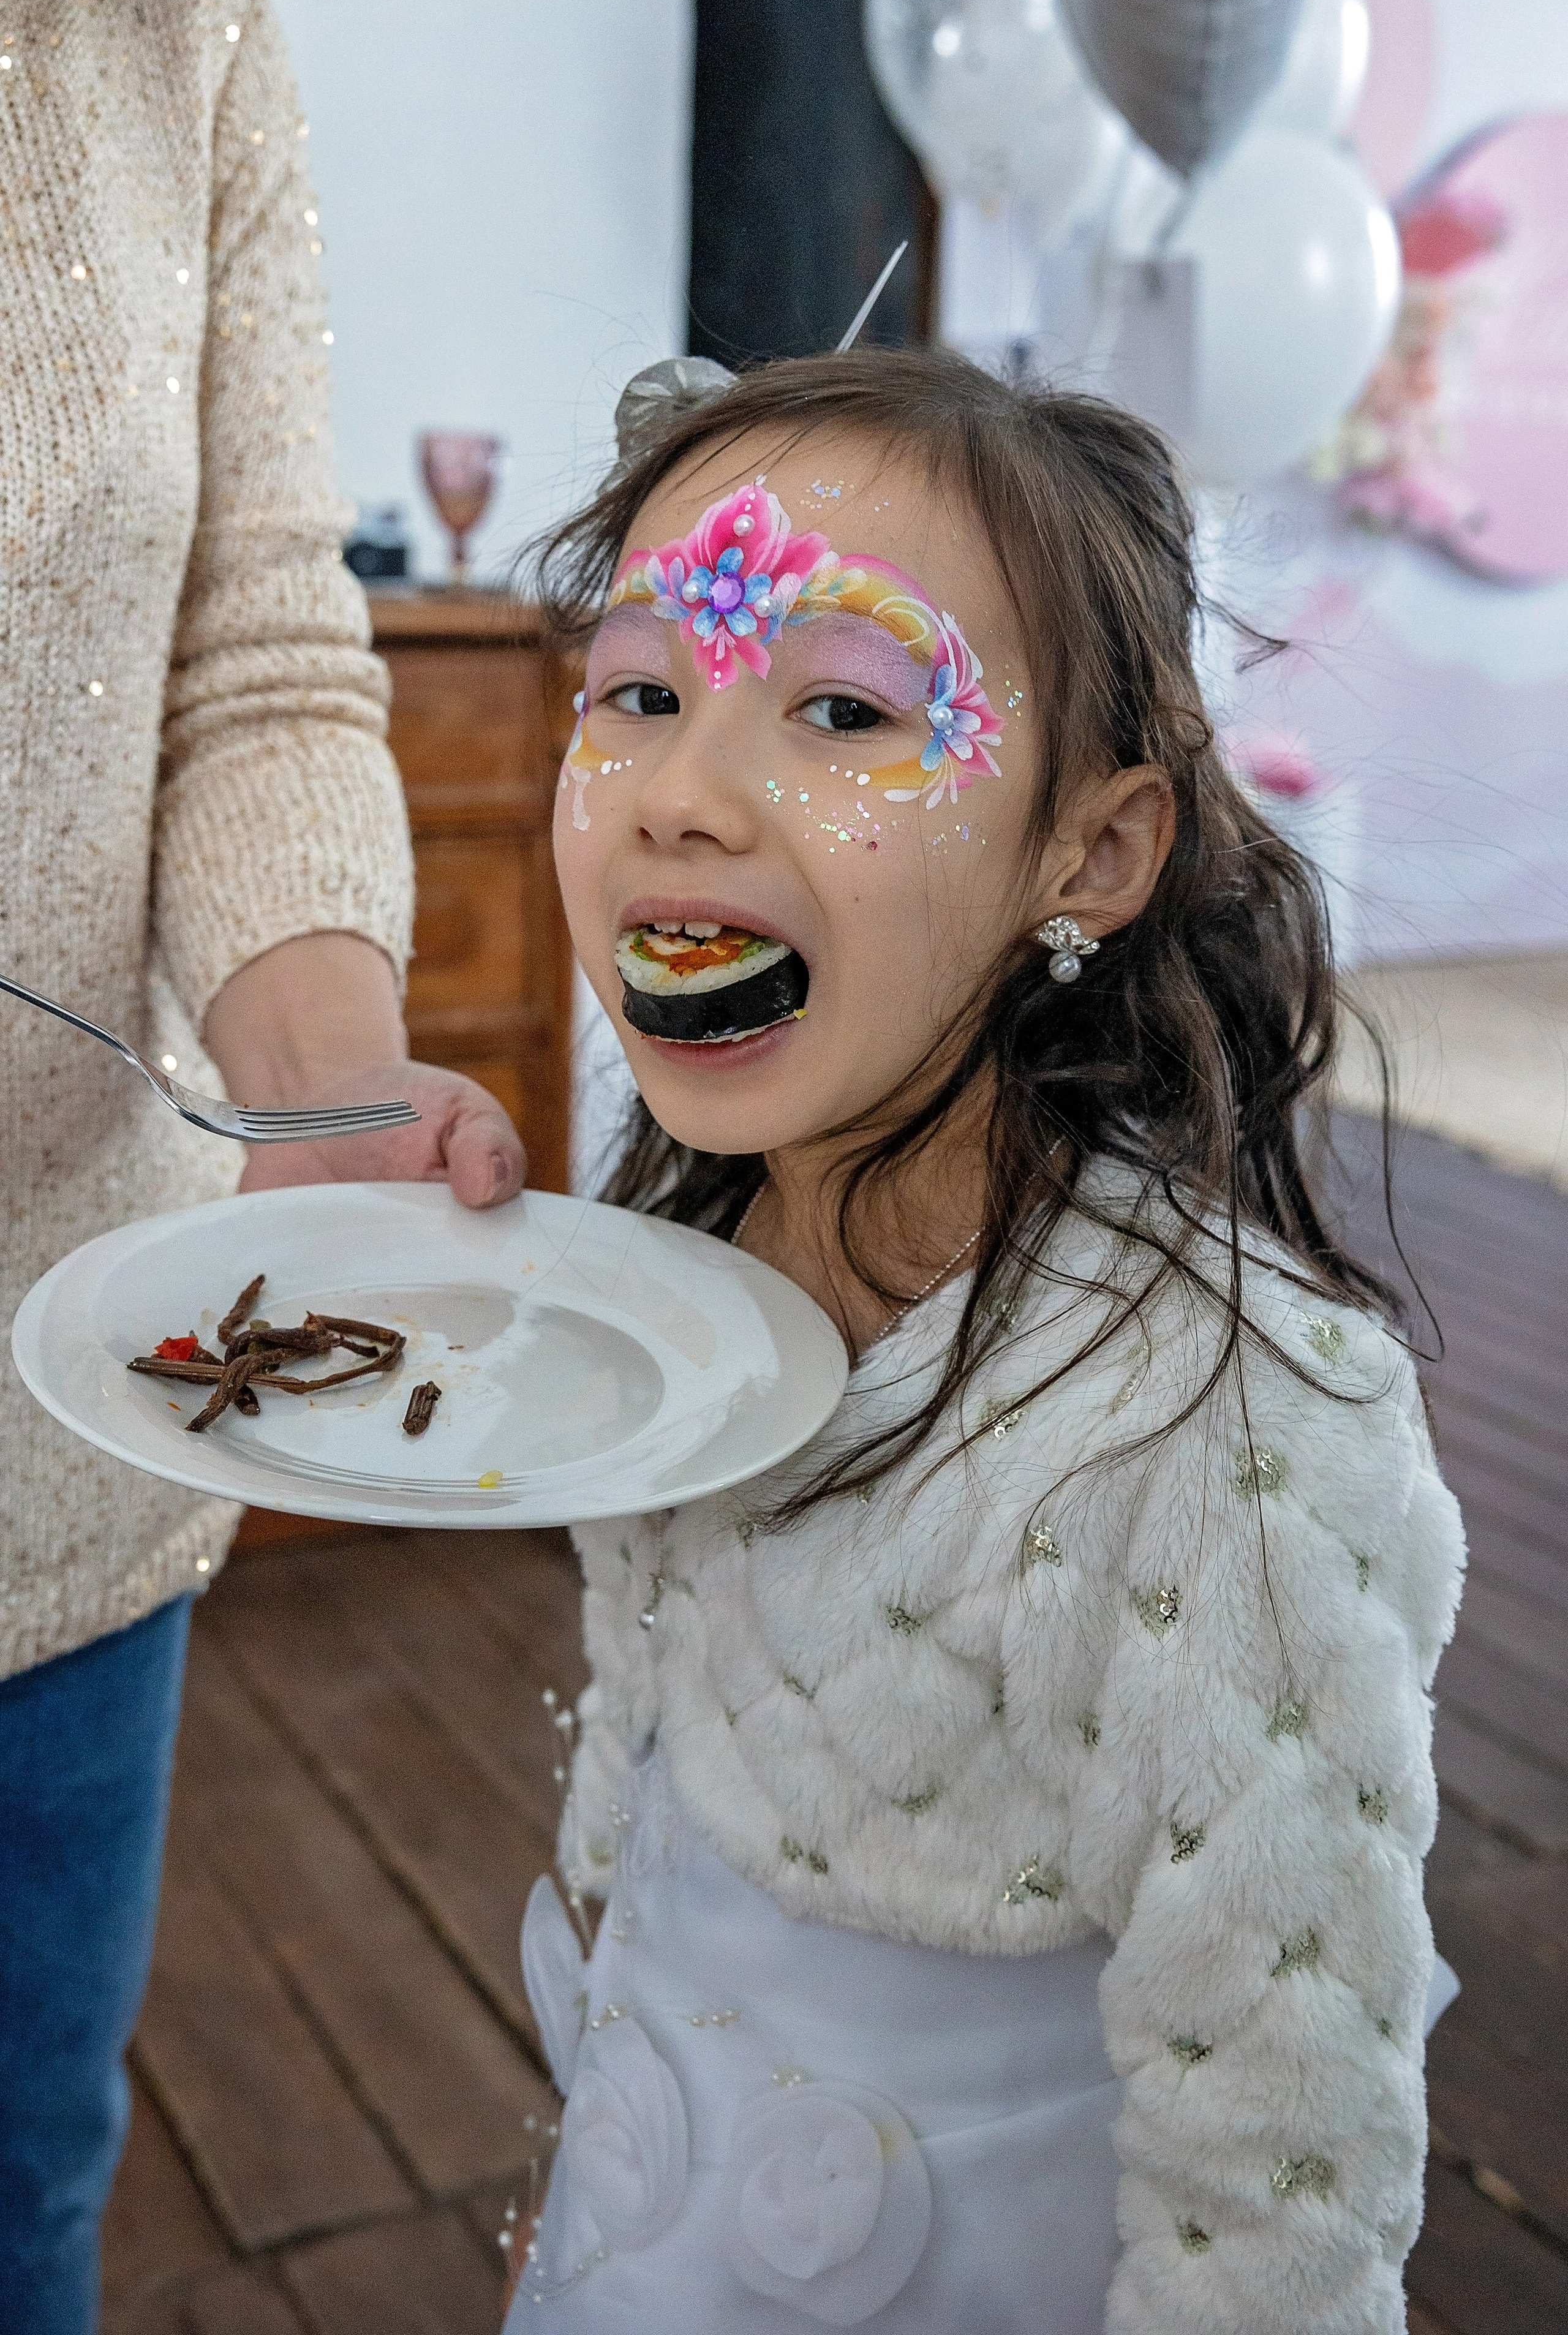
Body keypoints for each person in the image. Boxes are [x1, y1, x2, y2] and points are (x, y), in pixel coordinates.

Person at [508, 347, 1466, 2333]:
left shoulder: (1233, 1438)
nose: (682, 794)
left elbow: (1280, 2189)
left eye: (845, 708)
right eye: (638, 695)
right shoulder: (673, 1270)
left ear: (1092, 854)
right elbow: (649, 1733)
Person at [0, 0, 522, 2329]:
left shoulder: (176, 22)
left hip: (81, 1407)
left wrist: (326, 1096)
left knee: (22, 2189)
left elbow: (255, 657)